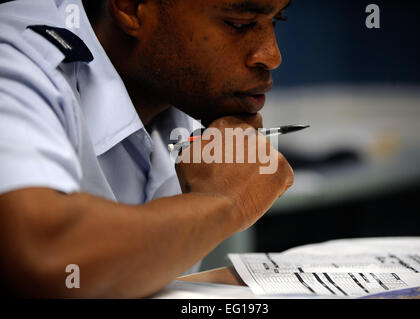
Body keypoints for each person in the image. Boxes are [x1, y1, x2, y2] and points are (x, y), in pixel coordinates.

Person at [0, 0, 293, 298]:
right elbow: (47, 256)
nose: (272, 55)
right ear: (130, 7)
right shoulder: (18, 60)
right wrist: (225, 203)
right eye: (239, 23)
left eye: (276, 20)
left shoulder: (181, 90)